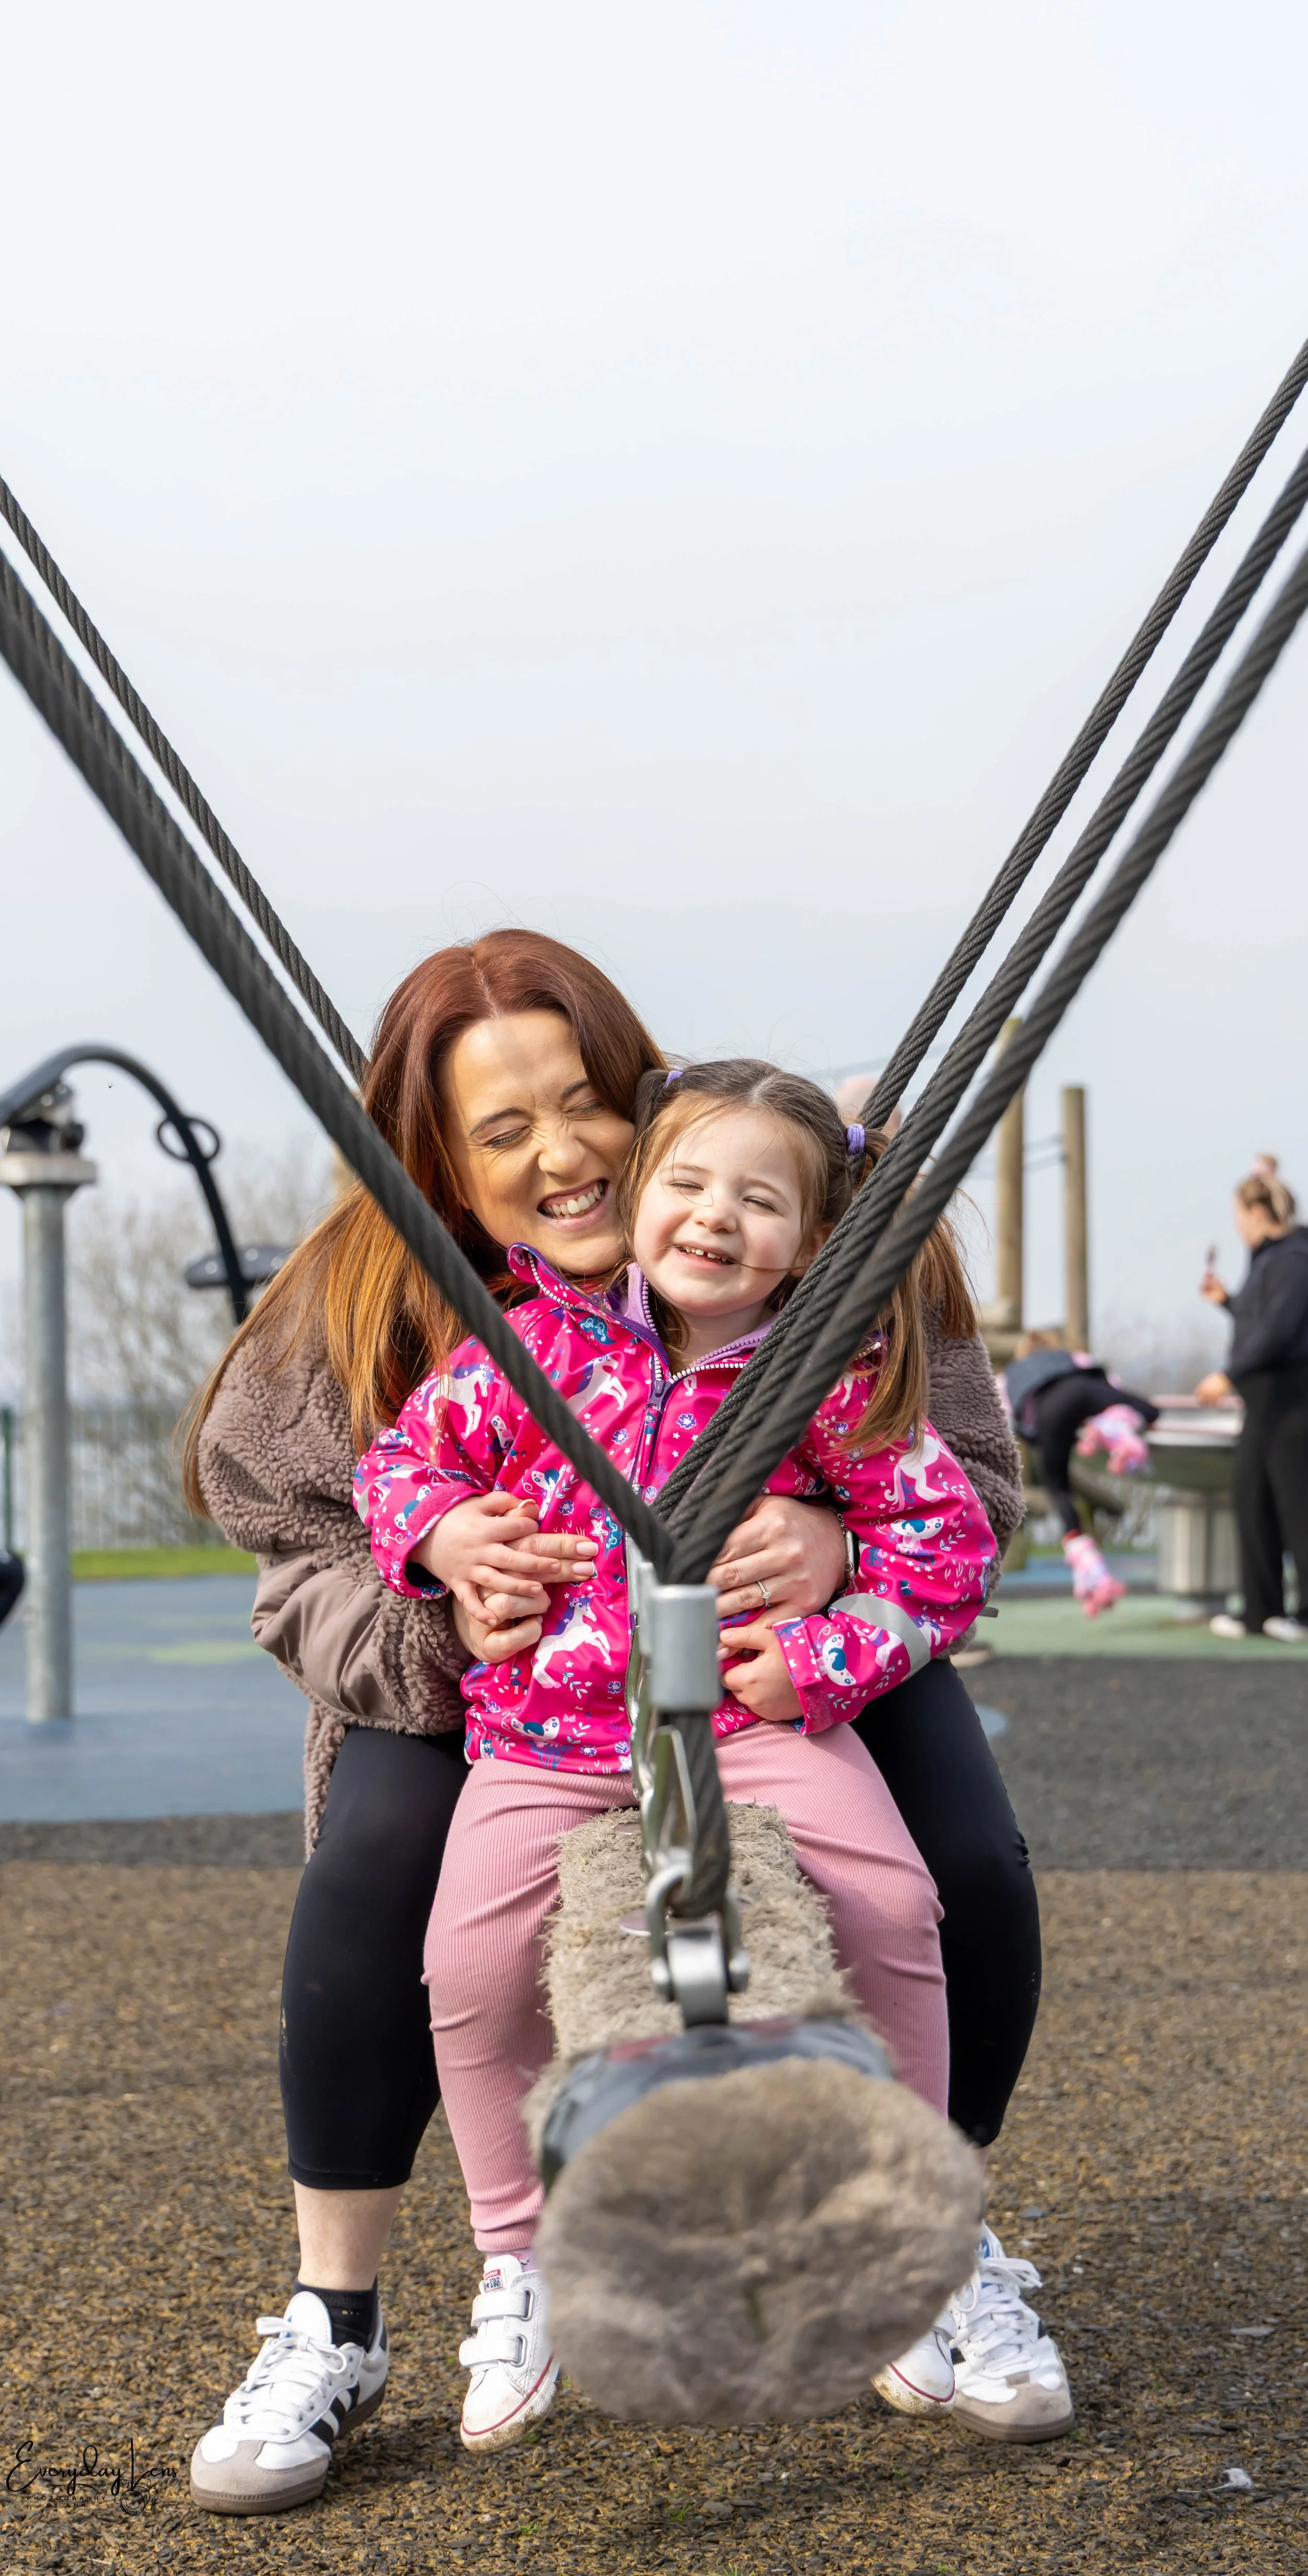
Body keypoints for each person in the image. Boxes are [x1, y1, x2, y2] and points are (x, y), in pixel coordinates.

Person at [186, 932, 1056, 2516]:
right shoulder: (400, 1304)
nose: (564, 1157)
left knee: (956, 1867)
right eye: (502, 1132)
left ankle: (935, 2238)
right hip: (487, 1676)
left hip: (772, 1661)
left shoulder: (821, 1248)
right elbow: (303, 1547)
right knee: (386, 1881)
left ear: (646, 1102)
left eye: (584, 1105)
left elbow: (964, 1495)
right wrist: (437, 1585)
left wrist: (844, 1558)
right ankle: (344, 2307)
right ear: (435, 1156)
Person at [355, 1059, 996, 2448]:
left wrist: (824, 1653)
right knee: (466, 1958)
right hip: (549, 1727)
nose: (714, 1219)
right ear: (638, 1193)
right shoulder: (530, 1346)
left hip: (747, 1717)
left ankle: (903, 2238)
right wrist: (447, 1537)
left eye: (759, 1200)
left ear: (812, 1242)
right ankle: (519, 2255)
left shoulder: (834, 1370)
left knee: (892, 1902)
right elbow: (400, 1463)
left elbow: (940, 1548)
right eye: (689, 1184)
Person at [1199, 1157, 1308, 1644]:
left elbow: (1279, 1330)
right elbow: (1258, 1319)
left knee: (1296, 1503)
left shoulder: (1292, 1259)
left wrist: (1228, 1373)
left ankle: (1301, 1613)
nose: (1237, 1224)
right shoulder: (1271, 1261)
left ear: (1260, 1211)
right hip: (1265, 1400)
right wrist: (1227, 1301)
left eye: (1241, 1213)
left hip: (1291, 1397)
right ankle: (1261, 1610)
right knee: (1253, 1498)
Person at [1002, 1331, 1157, 1616]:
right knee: (1149, 1410)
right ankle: (1115, 1432)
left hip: (1049, 1415)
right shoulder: (1073, 1359)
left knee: (1058, 1487)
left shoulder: (1011, 1375)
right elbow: (1111, 1383)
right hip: (1085, 1391)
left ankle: (1078, 1546)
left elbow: (1008, 1415)